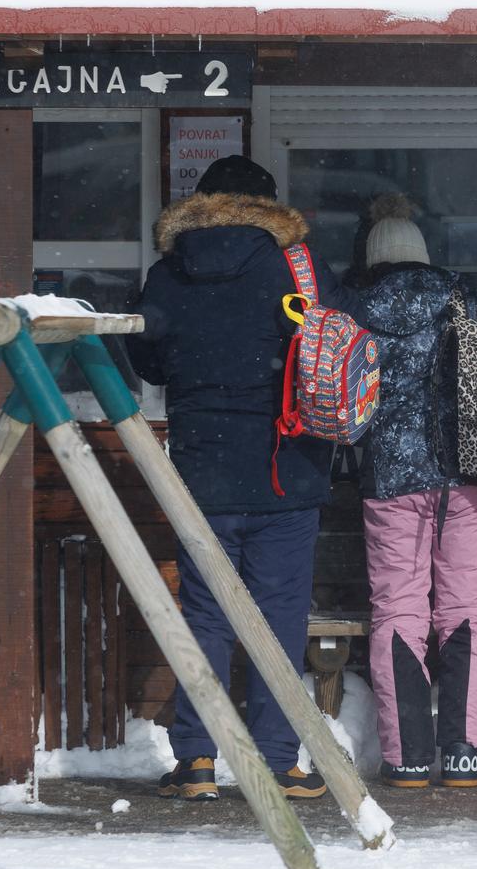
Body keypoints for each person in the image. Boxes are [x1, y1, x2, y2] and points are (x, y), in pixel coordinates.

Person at [127, 155, 350, 802]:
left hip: (201, 470)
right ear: (269, 205)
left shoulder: (169, 271)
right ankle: (280, 761)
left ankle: (196, 759)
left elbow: (150, 362)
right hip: (289, 467)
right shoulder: (298, 266)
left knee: (205, 615)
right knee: (278, 616)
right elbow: (337, 342)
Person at [348, 193, 477, 790]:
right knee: (469, 610)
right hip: (471, 478)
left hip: (393, 480)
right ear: (422, 254)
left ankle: (407, 756)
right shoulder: (470, 306)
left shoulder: (358, 314)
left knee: (398, 611)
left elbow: (346, 407)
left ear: (373, 257)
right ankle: (464, 751)